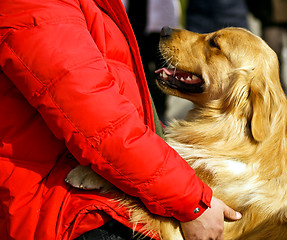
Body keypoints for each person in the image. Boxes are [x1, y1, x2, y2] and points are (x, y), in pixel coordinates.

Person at [0, 0, 241, 240]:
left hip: (92, 195)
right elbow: (102, 123)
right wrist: (192, 202)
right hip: (69, 212)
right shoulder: (41, 8)